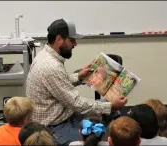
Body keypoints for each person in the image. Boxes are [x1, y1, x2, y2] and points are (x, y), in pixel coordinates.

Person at [26, 18, 127, 146]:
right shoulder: (51, 66)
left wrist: (79, 77)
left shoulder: (45, 55)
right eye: (72, 40)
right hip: (53, 127)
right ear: (58, 39)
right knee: (94, 139)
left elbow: (58, 84)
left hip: (62, 115)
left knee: (106, 107)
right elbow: (76, 102)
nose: (75, 44)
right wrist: (111, 106)